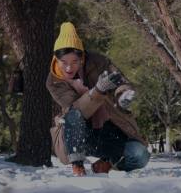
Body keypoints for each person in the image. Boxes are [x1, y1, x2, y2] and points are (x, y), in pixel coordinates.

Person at [46, 22, 150, 176]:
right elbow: (75, 110)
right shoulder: (54, 81)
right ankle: (78, 166)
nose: (69, 68)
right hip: (76, 135)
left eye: (74, 61)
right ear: (56, 59)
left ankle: (107, 163)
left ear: (82, 58)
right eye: (64, 62)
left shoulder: (98, 62)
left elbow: (119, 81)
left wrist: (123, 96)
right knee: (73, 115)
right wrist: (98, 91)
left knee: (140, 155)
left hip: (107, 129)